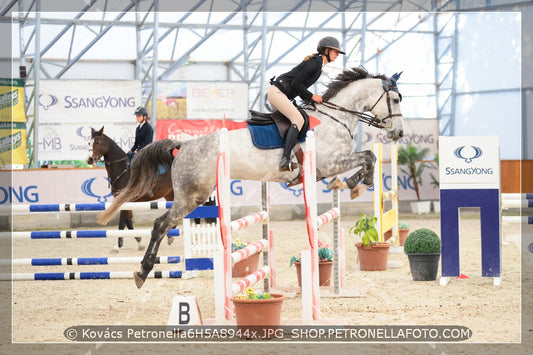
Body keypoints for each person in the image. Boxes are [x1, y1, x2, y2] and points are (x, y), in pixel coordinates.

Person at [268, 36, 345, 171]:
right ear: (326, 50)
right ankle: (285, 159)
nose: (338, 55)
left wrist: (312, 99)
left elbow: (298, 86)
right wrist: (311, 96)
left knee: (301, 118)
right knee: (297, 119)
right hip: (277, 93)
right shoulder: (315, 63)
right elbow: (296, 84)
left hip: (283, 95)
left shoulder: (319, 65)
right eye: (335, 51)